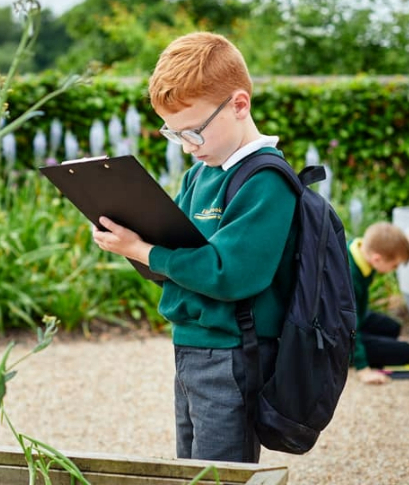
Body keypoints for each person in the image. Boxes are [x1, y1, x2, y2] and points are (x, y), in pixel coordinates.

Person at [91, 32, 298, 463]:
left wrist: (146, 250)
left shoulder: (265, 181)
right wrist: (132, 242)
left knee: (218, 472)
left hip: (231, 355)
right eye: (175, 133)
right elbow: (171, 261)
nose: (187, 146)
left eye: (195, 132)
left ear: (239, 105)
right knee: (190, 466)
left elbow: (229, 274)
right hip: (189, 345)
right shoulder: (200, 174)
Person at [347, 221, 409, 385]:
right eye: (394, 265)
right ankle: (348, 355)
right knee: (407, 352)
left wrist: (403, 247)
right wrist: (363, 368)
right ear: (377, 258)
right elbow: (348, 323)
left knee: (393, 328)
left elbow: (386, 245)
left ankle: (367, 341)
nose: (395, 268)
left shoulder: (360, 248)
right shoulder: (349, 276)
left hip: (356, 313)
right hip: (339, 328)